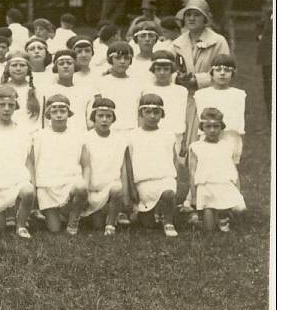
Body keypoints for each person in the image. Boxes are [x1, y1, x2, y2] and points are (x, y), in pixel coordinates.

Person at [0, 85, 36, 239]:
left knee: (28, 191)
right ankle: (6, 213)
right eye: (1, 105)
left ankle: (21, 225)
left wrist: (33, 183)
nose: (6, 109)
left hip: (18, 181)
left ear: (15, 107)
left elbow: (28, 161)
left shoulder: (22, 131)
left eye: (10, 105)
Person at [31, 94, 90, 235]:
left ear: (68, 114)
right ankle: (57, 214)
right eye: (54, 111)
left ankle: (74, 218)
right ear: (48, 114)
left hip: (69, 182)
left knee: (81, 187)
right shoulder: (39, 136)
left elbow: (86, 165)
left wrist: (85, 187)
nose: (58, 115)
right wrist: (34, 187)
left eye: (62, 111)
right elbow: (32, 164)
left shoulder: (78, 135)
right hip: (47, 186)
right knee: (54, 229)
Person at [125, 94, 179, 237]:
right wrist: (132, 188)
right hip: (143, 182)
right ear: (140, 113)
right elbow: (129, 164)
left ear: (162, 114)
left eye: (156, 112)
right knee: (148, 225)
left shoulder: (168, 135)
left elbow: (174, 159)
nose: (152, 116)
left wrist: (175, 179)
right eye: (147, 112)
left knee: (168, 193)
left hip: (164, 179)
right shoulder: (132, 136)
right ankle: (149, 212)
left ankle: (168, 222)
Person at [188, 107, 246, 233]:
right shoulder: (196, 147)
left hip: (224, 185)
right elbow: (192, 172)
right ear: (202, 127)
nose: (212, 130)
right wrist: (193, 195)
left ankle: (224, 214)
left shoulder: (227, 145)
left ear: (221, 127)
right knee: (209, 229)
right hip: (206, 188)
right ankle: (198, 217)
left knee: (240, 209)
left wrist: (238, 189)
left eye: (216, 126)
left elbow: (233, 170)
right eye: (208, 126)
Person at [82, 98, 127, 236]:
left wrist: (126, 195)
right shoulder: (85, 138)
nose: (104, 120)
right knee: (96, 225)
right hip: (91, 188)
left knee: (117, 188)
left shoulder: (120, 139)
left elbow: (123, 168)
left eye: (108, 116)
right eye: (100, 116)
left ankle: (111, 224)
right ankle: (96, 212)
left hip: (110, 186)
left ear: (113, 118)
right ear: (93, 117)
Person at [193, 54, 245, 165]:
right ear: (211, 73)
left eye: (227, 70)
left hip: (230, 137)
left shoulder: (238, 94)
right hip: (208, 136)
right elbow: (202, 120)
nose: (222, 73)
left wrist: (238, 141)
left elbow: (238, 121)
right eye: (218, 70)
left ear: (232, 73)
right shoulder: (201, 94)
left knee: (229, 169)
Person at [173, 0, 230, 91]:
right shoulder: (177, 43)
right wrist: (177, 78)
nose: (191, 18)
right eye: (188, 15)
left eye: (197, 15)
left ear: (205, 19)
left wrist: (197, 80)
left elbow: (225, 71)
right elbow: (168, 69)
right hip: (185, 96)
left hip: (211, 95)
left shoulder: (218, 41)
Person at [94, 41, 144, 136]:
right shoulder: (100, 83)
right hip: (109, 132)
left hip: (133, 131)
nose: (122, 61)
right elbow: (97, 111)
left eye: (126, 58)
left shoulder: (137, 83)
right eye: (118, 58)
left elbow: (140, 112)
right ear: (110, 59)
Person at [40, 49, 94, 133]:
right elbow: (44, 121)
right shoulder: (48, 91)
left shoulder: (86, 91)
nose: (65, 66)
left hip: (79, 136)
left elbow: (90, 123)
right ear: (56, 67)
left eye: (69, 63)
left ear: (75, 66)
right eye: (61, 64)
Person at [0, 52, 41, 135]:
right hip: (7, 134)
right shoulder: (0, 90)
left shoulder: (38, 91)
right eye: (14, 65)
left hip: (32, 135)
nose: (18, 69)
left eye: (22, 65)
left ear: (28, 69)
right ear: (7, 68)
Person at [257, 6, 273, 117]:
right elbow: (260, 28)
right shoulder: (267, 14)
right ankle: (271, 116)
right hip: (268, 56)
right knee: (268, 86)